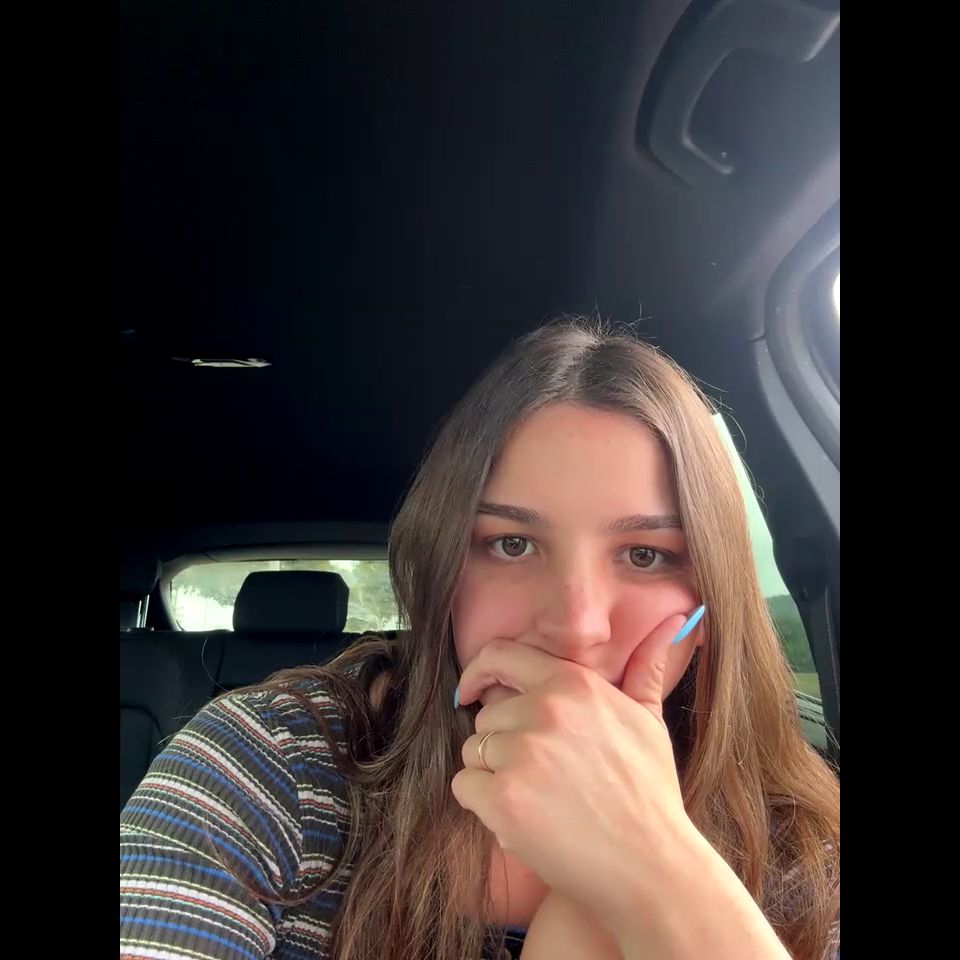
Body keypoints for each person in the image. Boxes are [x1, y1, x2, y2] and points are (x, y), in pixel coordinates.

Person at [120, 318, 840, 960]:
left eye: (646, 555)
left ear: (711, 596)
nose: (577, 626)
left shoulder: (803, 843)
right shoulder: (276, 763)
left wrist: (656, 876)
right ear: (443, 578)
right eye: (513, 545)